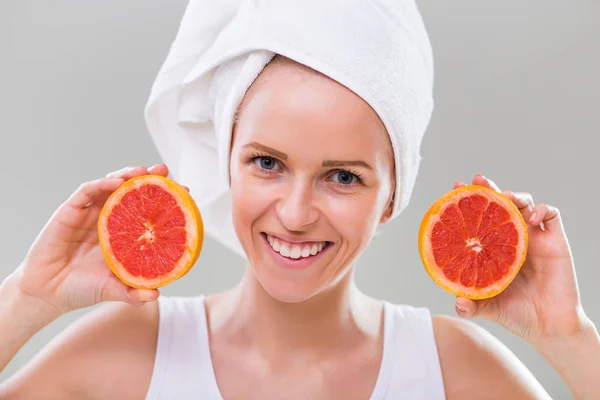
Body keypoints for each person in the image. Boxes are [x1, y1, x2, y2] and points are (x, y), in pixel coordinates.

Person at [1, 3, 599, 400]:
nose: (293, 213)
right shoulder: (124, 356)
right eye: (267, 163)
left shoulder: (458, 373)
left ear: (393, 197)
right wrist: (26, 300)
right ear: (225, 163)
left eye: (342, 177)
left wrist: (568, 338)